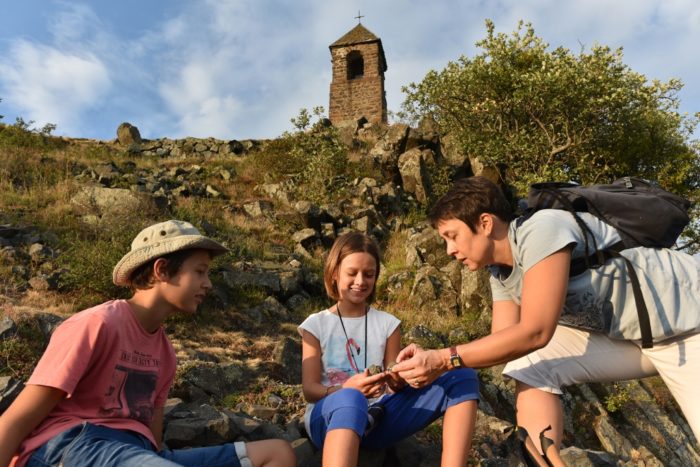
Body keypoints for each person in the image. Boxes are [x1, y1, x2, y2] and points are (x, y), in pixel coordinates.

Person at [391, 176, 700, 463]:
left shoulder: (542, 229)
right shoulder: (500, 271)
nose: (449, 250)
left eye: (452, 236)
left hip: (688, 328)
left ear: (485, 223)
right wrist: (428, 360)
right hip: (633, 339)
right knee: (529, 364)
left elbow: (536, 331)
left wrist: (444, 359)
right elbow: (504, 342)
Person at [0, 220, 295, 467]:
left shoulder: (165, 352)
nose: (208, 284)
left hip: (137, 453)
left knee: (277, 454)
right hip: (74, 444)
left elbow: (151, 440)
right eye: (200, 271)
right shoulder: (96, 324)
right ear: (162, 270)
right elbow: (17, 417)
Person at [298, 231, 479, 467]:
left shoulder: (388, 324)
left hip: (378, 418)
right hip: (329, 419)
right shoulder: (315, 324)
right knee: (351, 398)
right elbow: (310, 390)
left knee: (463, 376)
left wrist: (400, 376)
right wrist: (344, 389)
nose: (361, 281)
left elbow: (393, 382)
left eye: (369, 274)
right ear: (334, 273)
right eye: (352, 273)